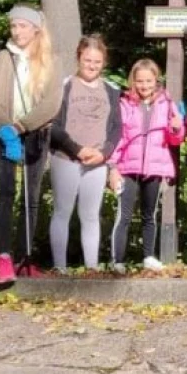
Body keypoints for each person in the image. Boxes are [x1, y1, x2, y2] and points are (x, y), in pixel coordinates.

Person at [0, 4, 62, 284]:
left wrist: (22, 126)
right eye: (13, 26)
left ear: (36, 29)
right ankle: (3, 256)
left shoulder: (50, 61)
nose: (17, 32)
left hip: (35, 134)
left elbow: (52, 102)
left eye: (22, 26)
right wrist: (7, 128)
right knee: (6, 193)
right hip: (5, 133)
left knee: (32, 196)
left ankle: (24, 257)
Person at [48, 35, 122, 273]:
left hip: (97, 162)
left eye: (97, 62)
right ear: (78, 58)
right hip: (66, 158)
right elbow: (54, 125)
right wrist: (77, 149)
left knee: (90, 215)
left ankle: (91, 269)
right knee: (62, 211)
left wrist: (104, 154)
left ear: (104, 63)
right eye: (87, 60)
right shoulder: (65, 86)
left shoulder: (111, 90)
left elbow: (116, 128)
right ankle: (60, 268)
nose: (91, 65)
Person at [107, 59, 185, 273]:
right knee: (124, 215)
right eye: (140, 81)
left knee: (149, 214)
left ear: (156, 79)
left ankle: (149, 256)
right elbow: (118, 136)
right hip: (127, 167)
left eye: (149, 81)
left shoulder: (166, 103)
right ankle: (118, 260)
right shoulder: (125, 103)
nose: (144, 85)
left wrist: (177, 128)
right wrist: (112, 166)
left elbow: (175, 139)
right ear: (133, 81)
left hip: (154, 167)